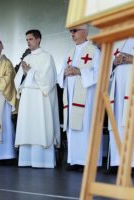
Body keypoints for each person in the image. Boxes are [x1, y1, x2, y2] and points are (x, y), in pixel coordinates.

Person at [57, 24, 102, 170]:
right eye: (71, 31)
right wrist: (64, 73)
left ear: (85, 32)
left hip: (87, 98)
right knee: (72, 128)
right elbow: (61, 73)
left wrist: (80, 72)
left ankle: (88, 162)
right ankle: (74, 160)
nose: (72, 34)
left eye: (75, 31)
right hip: (71, 96)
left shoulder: (94, 50)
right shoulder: (70, 52)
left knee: (86, 127)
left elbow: (100, 73)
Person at [14, 29, 60, 168]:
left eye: (31, 39)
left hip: (40, 99)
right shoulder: (26, 59)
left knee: (41, 125)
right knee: (27, 126)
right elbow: (18, 81)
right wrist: (24, 75)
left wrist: (30, 72)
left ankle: (43, 161)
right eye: (27, 40)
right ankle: (26, 160)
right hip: (28, 99)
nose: (28, 42)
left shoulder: (47, 57)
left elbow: (49, 80)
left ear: (38, 39)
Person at [109, 38, 134, 168]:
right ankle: (117, 162)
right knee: (117, 123)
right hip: (117, 91)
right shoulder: (118, 42)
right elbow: (107, 66)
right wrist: (114, 62)